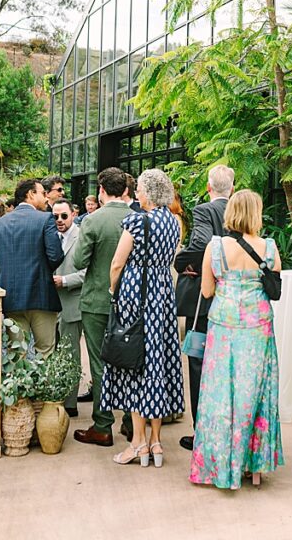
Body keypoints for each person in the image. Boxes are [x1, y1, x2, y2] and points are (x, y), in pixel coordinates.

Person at [189, 189, 284, 489]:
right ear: (256, 214)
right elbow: (275, 285)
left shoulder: (215, 247)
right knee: (255, 394)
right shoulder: (269, 247)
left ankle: (221, 465)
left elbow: (206, 291)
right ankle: (253, 467)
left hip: (224, 325)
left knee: (222, 395)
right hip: (258, 326)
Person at [104, 168, 184, 467]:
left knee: (135, 365)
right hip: (162, 296)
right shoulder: (174, 223)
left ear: (147, 193)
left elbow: (116, 263)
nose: (135, 192)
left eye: (138, 188)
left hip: (135, 296)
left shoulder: (136, 221)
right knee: (158, 363)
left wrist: (114, 291)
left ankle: (137, 444)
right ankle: (156, 442)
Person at [72, 167, 136, 447]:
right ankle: (133, 422)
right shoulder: (138, 218)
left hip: (98, 300)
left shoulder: (93, 220)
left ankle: (102, 423)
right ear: (124, 190)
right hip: (132, 300)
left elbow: (78, 261)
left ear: (101, 190)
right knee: (133, 361)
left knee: (100, 363)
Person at [173, 164, 233, 451]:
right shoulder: (241, 210)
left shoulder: (204, 211)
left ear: (209, 188)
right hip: (234, 298)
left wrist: (183, 263)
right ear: (232, 188)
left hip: (205, 300)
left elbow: (200, 243)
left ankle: (202, 432)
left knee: (198, 363)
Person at [0, 179, 65, 357]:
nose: (46, 198)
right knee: (44, 352)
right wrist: (43, 271)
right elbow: (56, 256)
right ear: (30, 194)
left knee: (17, 356)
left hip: (11, 297)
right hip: (41, 294)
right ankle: (42, 386)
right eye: (43, 193)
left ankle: (19, 386)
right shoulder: (45, 218)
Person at [51, 198, 87, 418]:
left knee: (72, 353)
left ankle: (70, 402)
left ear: (73, 214)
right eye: (55, 216)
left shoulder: (83, 234)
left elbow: (89, 272)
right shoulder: (49, 235)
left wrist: (65, 280)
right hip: (52, 304)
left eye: (64, 216)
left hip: (74, 301)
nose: (60, 220)